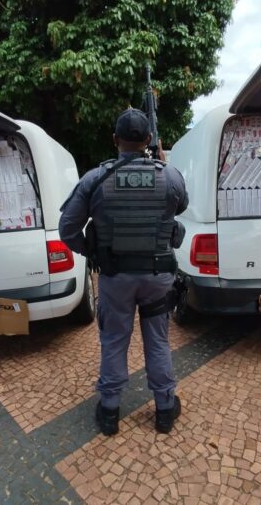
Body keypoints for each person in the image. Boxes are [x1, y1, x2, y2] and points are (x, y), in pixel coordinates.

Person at [59, 108, 189, 435]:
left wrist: (93, 252)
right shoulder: (170, 175)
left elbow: (67, 229)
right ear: (149, 139)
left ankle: (109, 412)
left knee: (114, 341)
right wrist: (163, 164)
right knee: (157, 341)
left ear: (115, 139)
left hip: (115, 278)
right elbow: (181, 205)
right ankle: (164, 410)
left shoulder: (95, 178)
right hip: (157, 277)